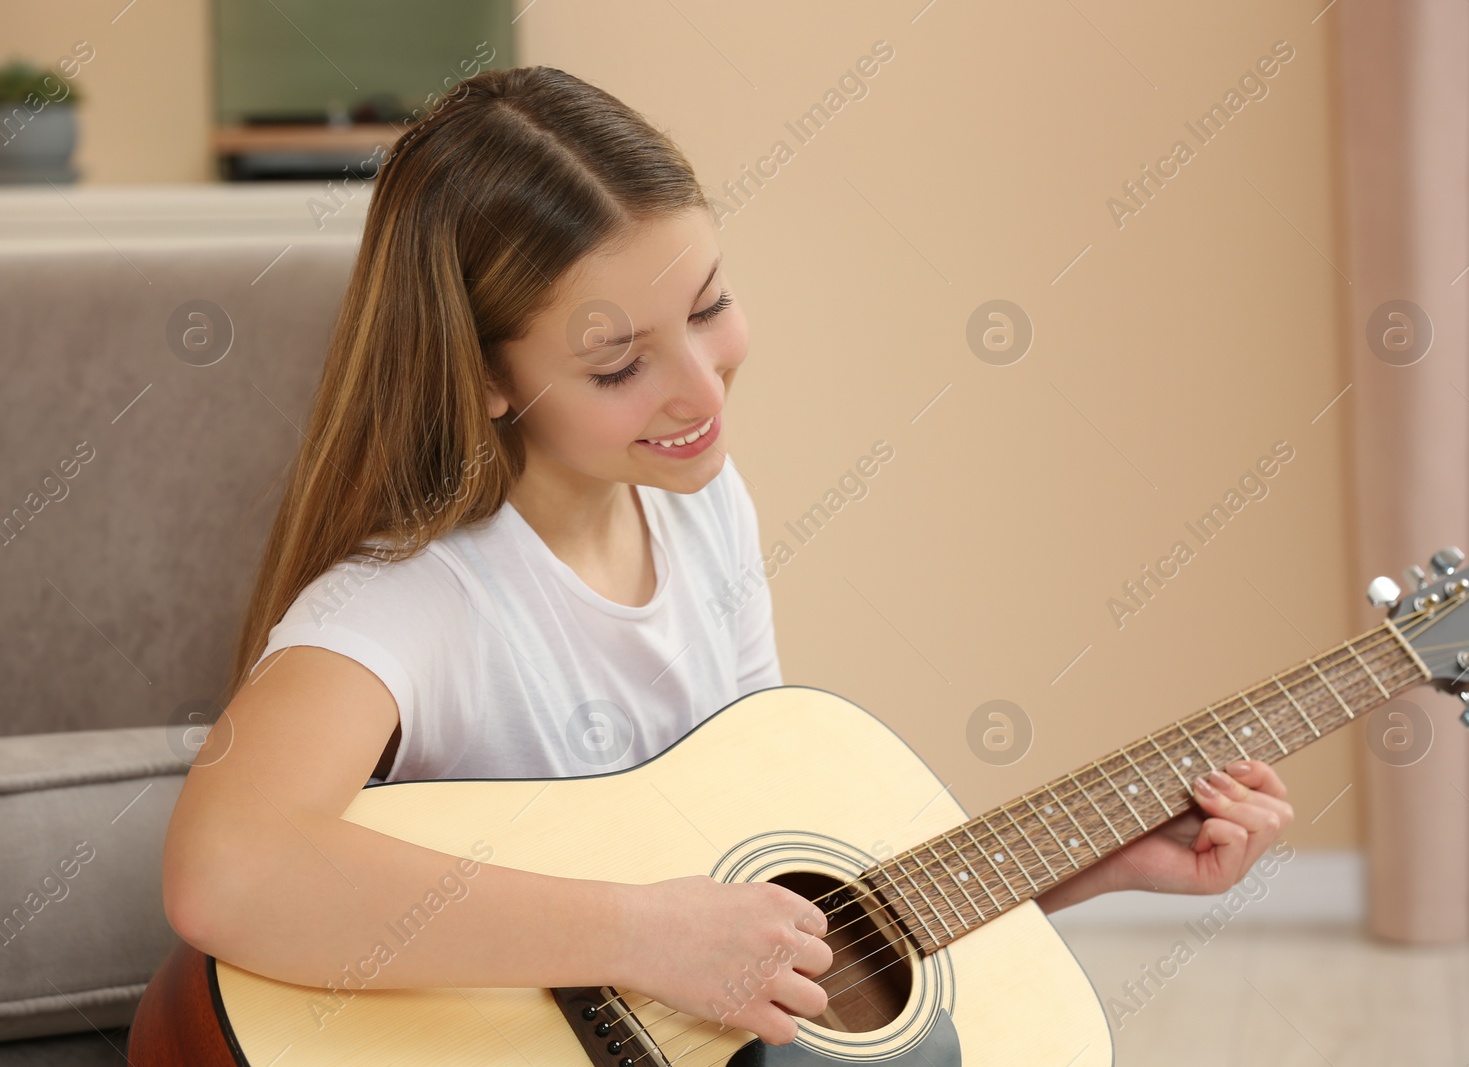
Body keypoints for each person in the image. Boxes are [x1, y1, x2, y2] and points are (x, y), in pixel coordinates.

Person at [160, 65, 1292, 1050]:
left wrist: (1087, 861)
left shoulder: (703, 514)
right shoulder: (407, 601)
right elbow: (228, 870)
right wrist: (640, 932)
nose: (701, 389)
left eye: (709, 306)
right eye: (618, 365)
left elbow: (784, 895)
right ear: (487, 377)